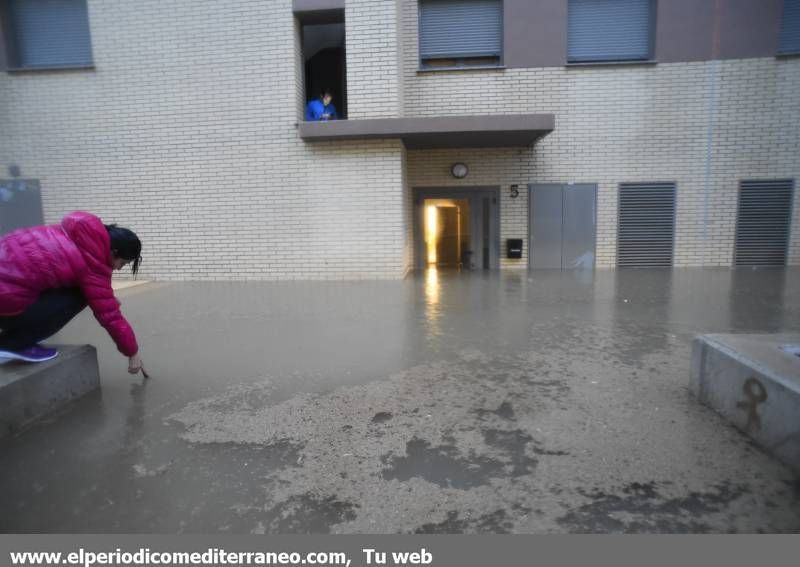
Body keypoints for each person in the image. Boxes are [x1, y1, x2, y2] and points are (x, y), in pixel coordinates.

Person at [0, 211, 146, 375]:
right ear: (114, 252)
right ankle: (13, 343)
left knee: (79, 288)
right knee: (81, 294)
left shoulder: (69, 233)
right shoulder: (92, 264)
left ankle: (20, 333)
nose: (118, 268)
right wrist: (132, 353)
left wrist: (106, 297)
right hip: (4, 302)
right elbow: (111, 317)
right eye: (123, 263)